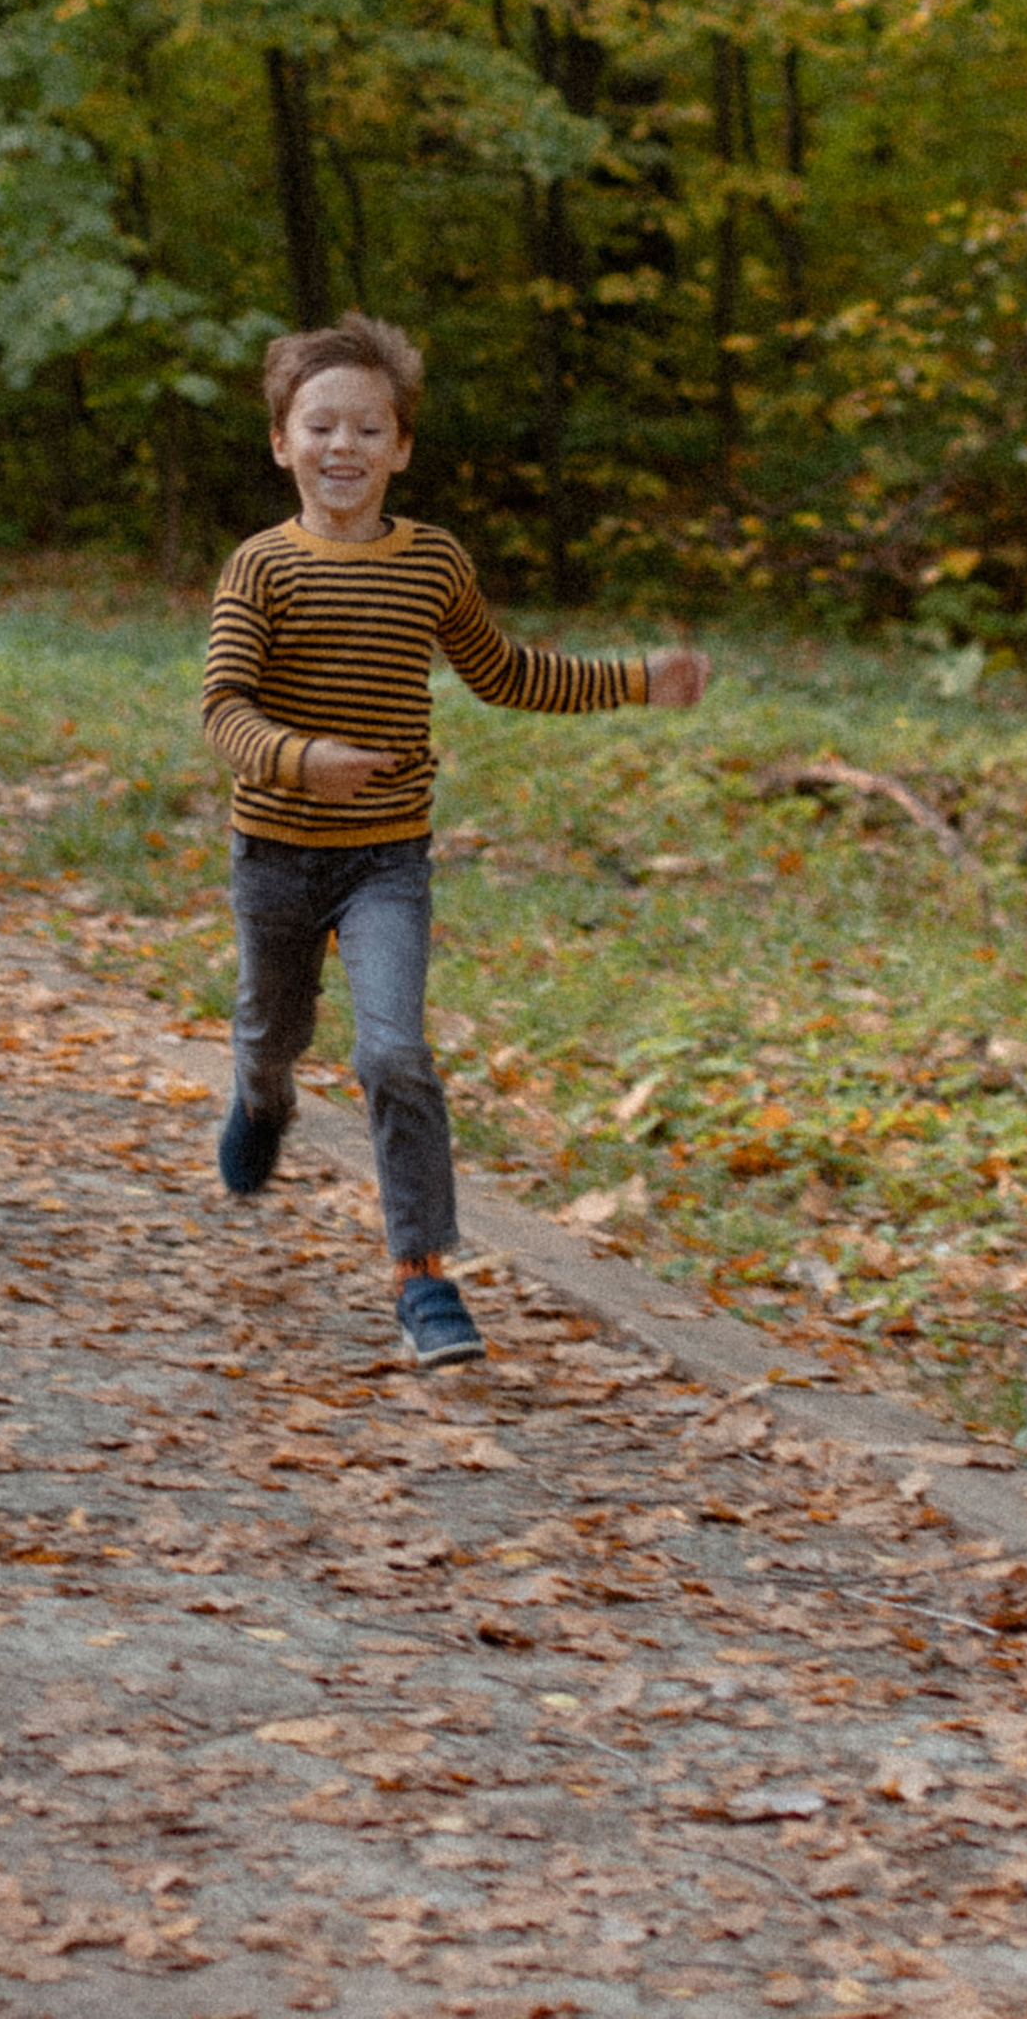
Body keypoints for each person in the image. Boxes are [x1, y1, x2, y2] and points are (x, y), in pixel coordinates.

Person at [202, 312, 710, 1368]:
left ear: (400, 447)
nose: (342, 446)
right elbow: (224, 712)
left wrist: (634, 680)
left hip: (387, 857)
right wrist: (301, 756)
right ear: (281, 443)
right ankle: (260, 1098)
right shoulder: (258, 567)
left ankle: (422, 1275)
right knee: (270, 1031)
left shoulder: (430, 562)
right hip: (278, 854)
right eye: (319, 426)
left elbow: (506, 671)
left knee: (395, 1051)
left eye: (367, 428)